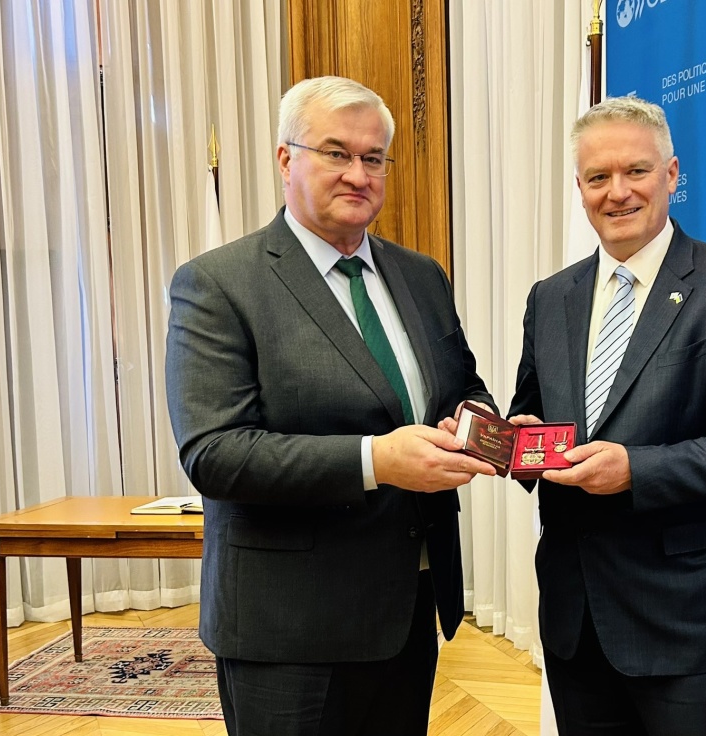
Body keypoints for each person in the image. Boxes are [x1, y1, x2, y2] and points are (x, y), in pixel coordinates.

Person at [165, 75, 497, 736]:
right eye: (336, 153)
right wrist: (378, 460)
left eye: (373, 158)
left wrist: (477, 424)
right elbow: (215, 453)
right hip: (289, 628)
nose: (357, 174)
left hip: (406, 610)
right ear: (285, 159)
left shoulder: (421, 275)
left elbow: (463, 386)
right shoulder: (218, 284)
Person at [507, 96, 706, 734]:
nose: (617, 192)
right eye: (597, 177)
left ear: (670, 174)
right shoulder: (549, 298)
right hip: (576, 618)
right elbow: (531, 414)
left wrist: (635, 471)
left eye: (635, 171)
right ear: (579, 187)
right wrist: (513, 443)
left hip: (691, 622)